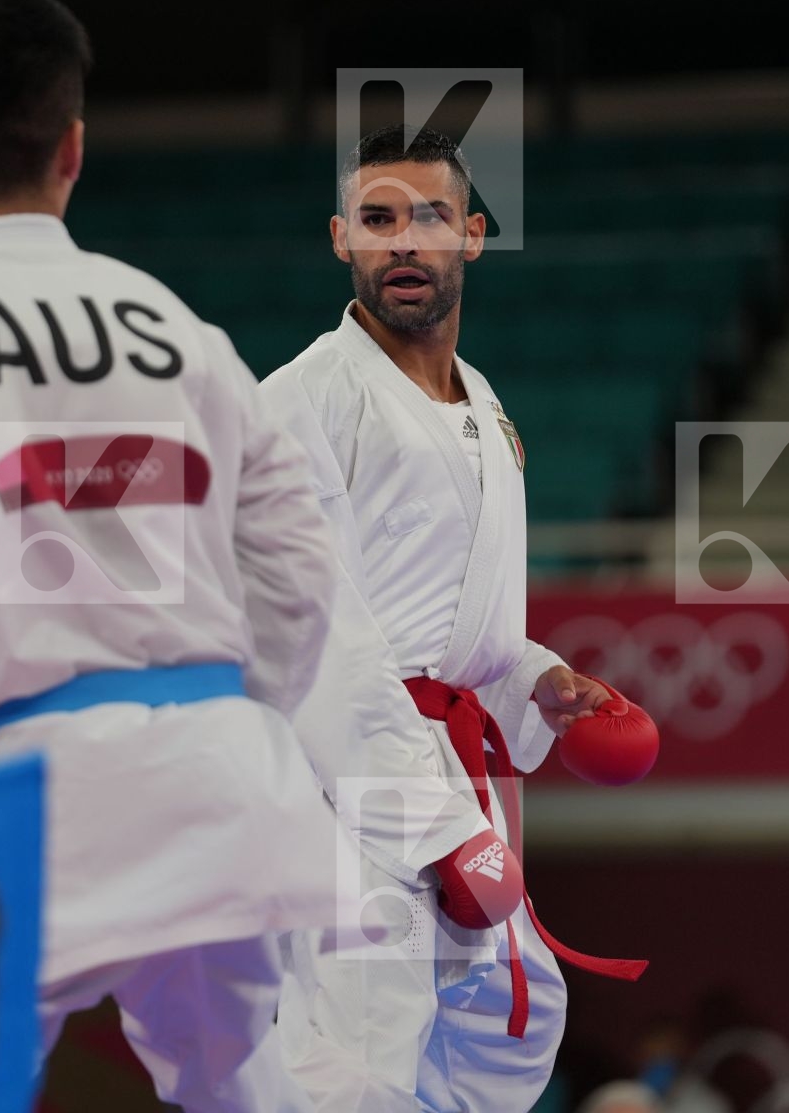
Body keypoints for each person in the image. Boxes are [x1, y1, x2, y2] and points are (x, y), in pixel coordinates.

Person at [0, 0, 359, 1112]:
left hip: (25, 789)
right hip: (224, 781)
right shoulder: (178, 327)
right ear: (75, 149)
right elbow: (300, 561)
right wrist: (244, 715)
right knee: (241, 1087)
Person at [261, 124, 645, 1113]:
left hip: (450, 770)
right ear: (340, 237)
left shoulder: (483, 407)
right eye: (377, 221)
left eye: (427, 219)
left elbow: (454, 623)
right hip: (348, 794)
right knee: (352, 1055)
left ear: (471, 236)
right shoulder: (302, 402)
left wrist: (539, 680)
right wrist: (435, 832)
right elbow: (314, 636)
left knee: (506, 1036)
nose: (401, 244)